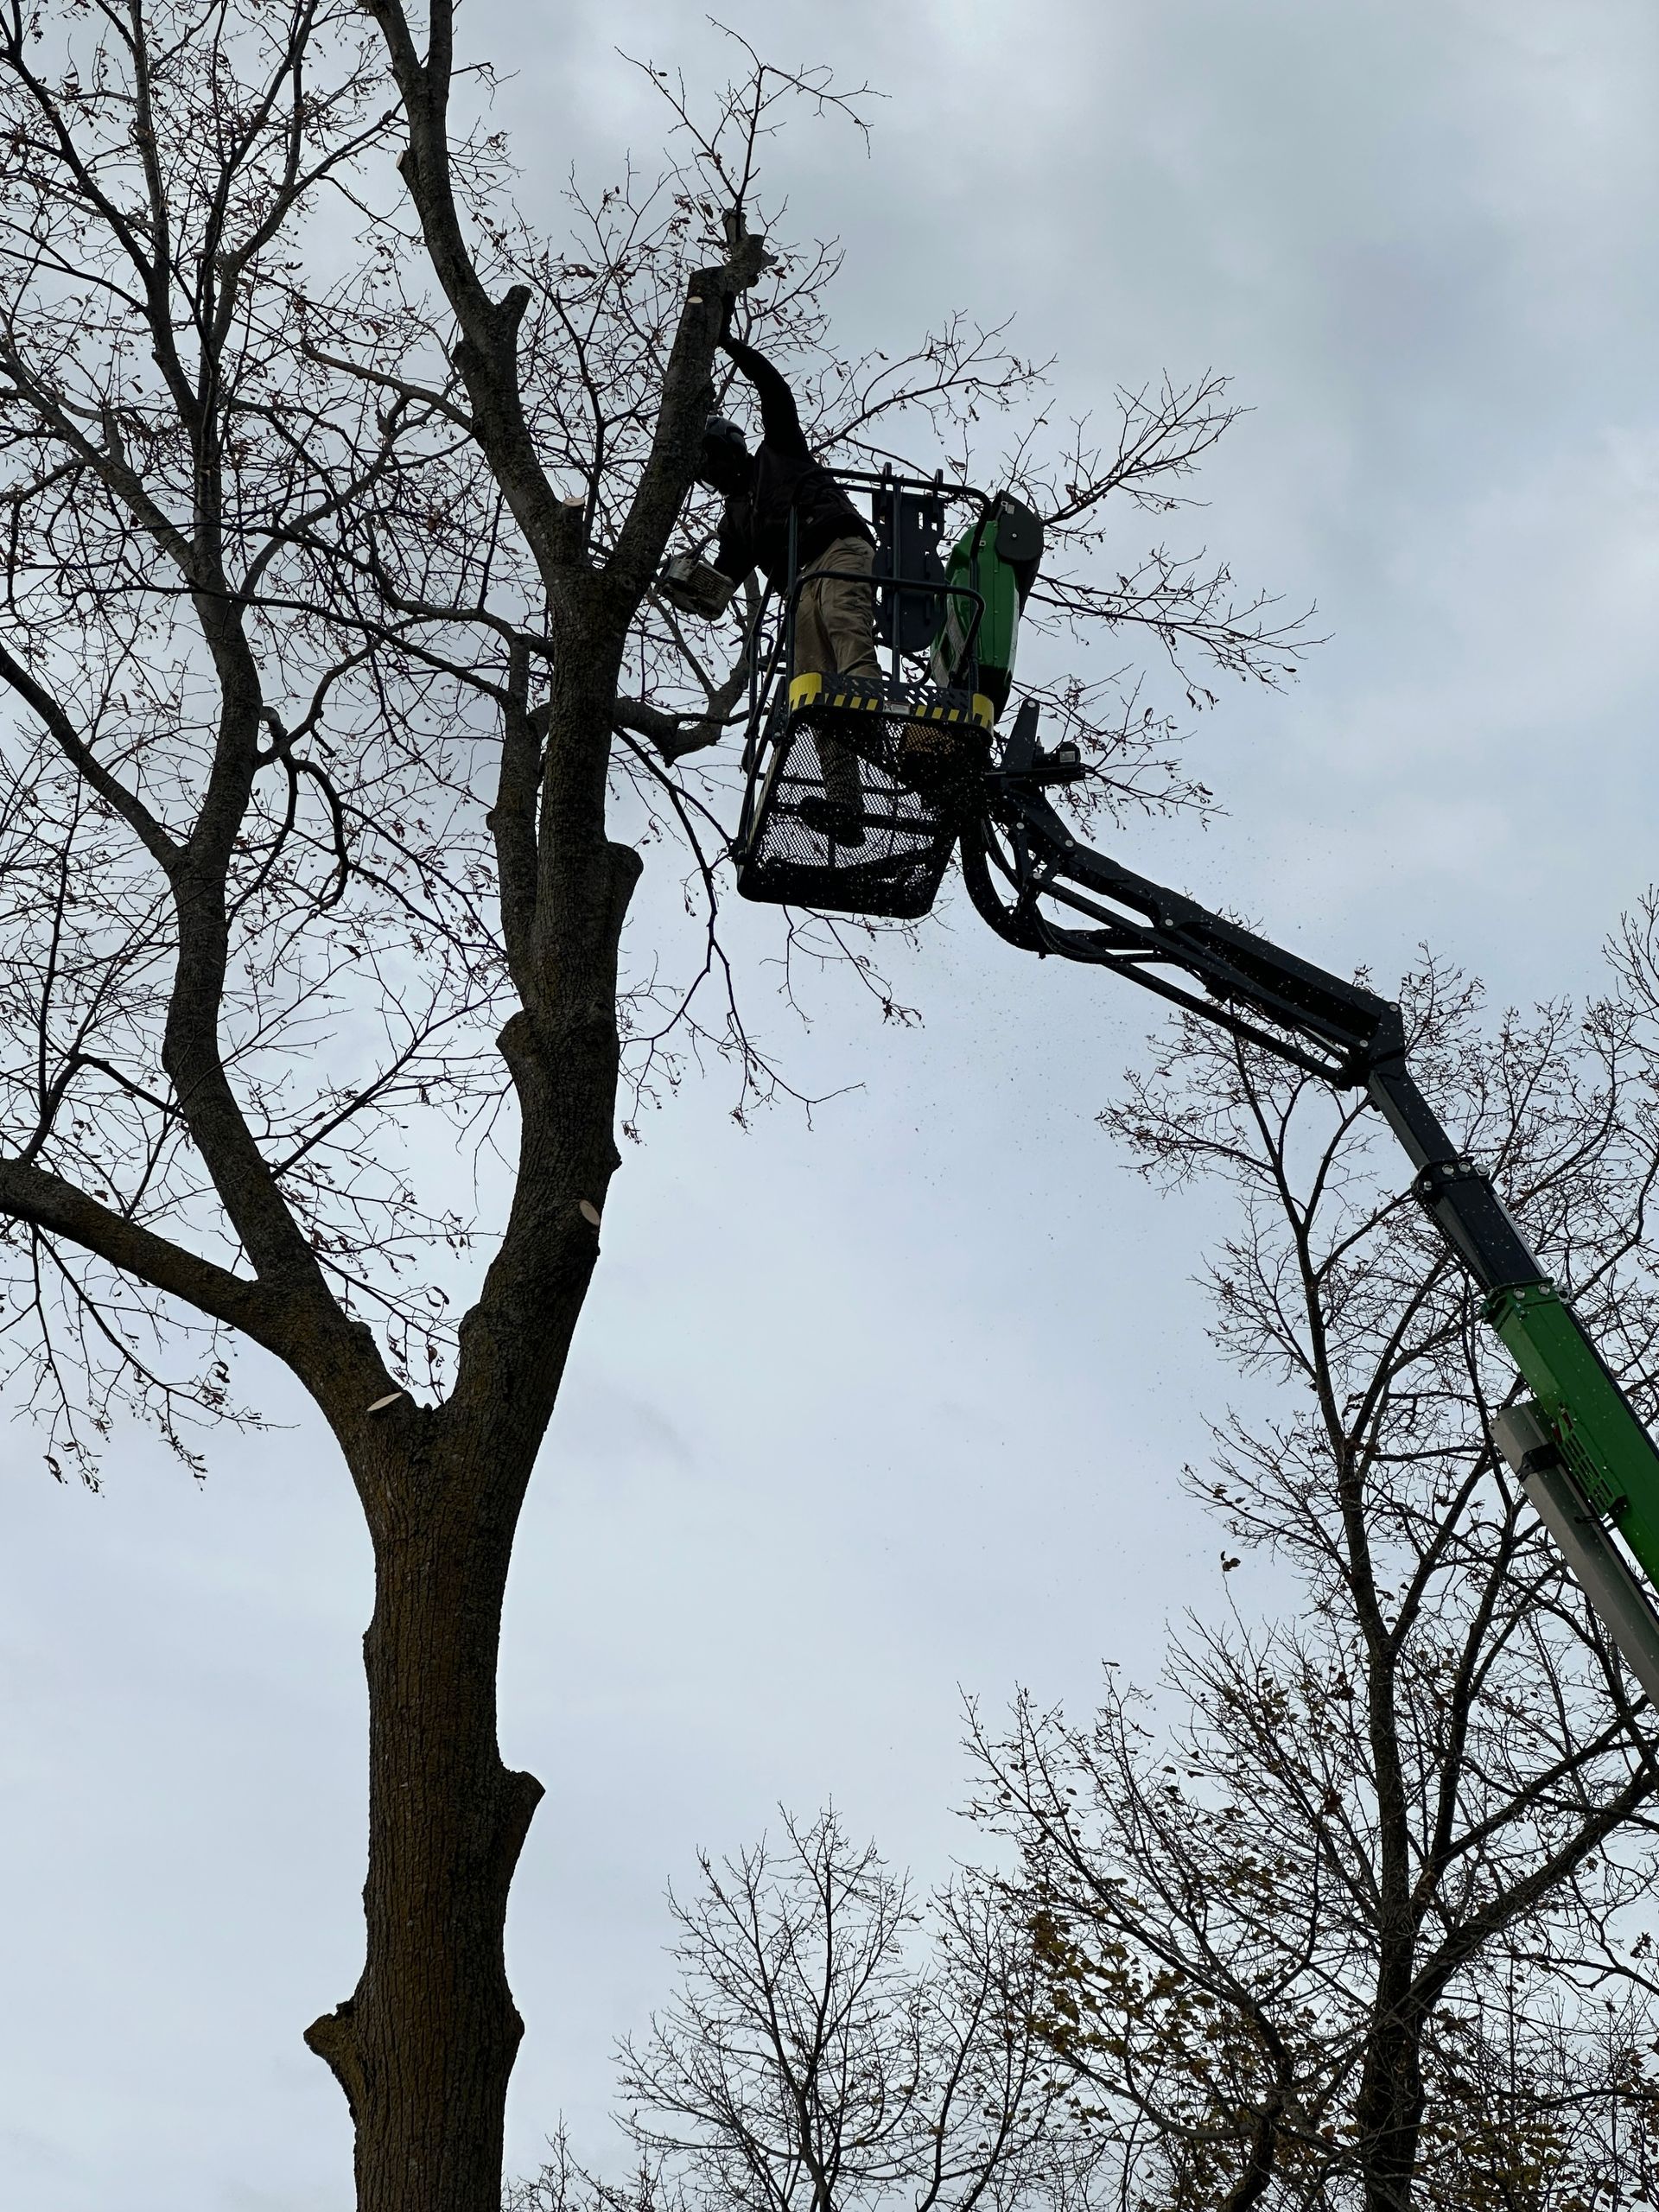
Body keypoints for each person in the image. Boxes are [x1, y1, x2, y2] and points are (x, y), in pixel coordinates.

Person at [697, 335, 879, 846]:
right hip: (798, 584)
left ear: (731, 448)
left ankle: (867, 714)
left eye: (714, 459)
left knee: (846, 624)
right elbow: (720, 587)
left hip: (838, 547)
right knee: (812, 687)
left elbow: (774, 390)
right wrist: (681, 586)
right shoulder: (735, 520)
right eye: (706, 471)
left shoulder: (778, 451)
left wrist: (727, 342)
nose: (714, 473)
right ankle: (845, 803)